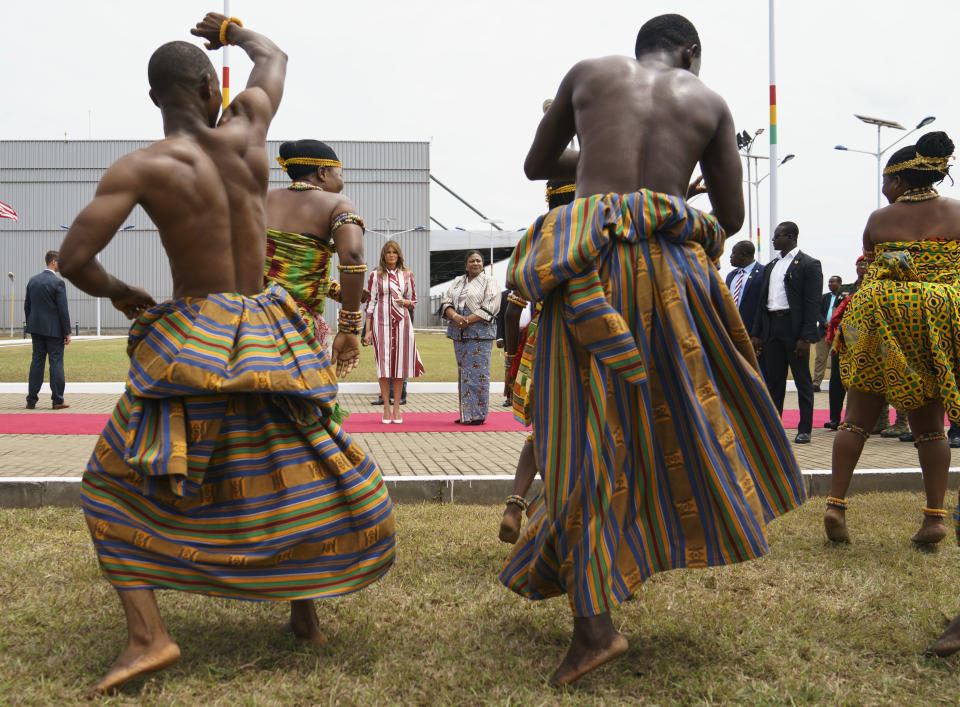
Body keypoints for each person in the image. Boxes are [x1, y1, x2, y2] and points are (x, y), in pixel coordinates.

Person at [57, 14, 395, 697]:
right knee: (288, 462)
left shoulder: (142, 167)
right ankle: (305, 616)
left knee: (110, 481)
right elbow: (274, 54)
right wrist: (232, 28)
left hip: (198, 332)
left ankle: (149, 635)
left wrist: (128, 296)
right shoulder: (248, 134)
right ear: (212, 87)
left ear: (157, 99)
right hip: (269, 325)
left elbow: (73, 258)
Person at [498, 14, 805, 687]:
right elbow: (728, 217)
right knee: (678, 422)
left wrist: (604, 173)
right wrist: (658, 195)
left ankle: (595, 626)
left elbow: (536, 166)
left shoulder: (587, 73)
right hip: (673, 279)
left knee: (581, 440)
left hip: (589, 268)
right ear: (690, 54)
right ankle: (615, 578)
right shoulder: (710, 104)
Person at [826, 130, 960, 556]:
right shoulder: (958, 213)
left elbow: (866, 271)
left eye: (887, 180)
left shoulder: (879, 220)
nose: (884, 188)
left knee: (856, 420)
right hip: (934, 318)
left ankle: (836, 507)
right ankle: (934, 517)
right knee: (930, 428)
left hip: (881, 315)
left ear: (900, 182)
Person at [498, 175, 576, 543]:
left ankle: (515, 504)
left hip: (541, 346)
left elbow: (512, 312)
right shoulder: (593, 234)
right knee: (584, 431)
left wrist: (512, 361)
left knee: (541, 431)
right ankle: (558, 511)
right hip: (584, 343)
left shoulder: (535, 238)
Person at [265, 139, 356, 358]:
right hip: (297, 326)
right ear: (323, 172)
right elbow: (352, 258)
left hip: (255, 320)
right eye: (340, 175)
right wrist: (349, 325)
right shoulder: (337, 203)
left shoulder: (261, 199)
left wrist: (335, 290)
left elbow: (284, 268)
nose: (342, 182)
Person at [750, 222, 823, 444]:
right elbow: (763, 302)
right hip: (772, 326)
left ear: (791, 236)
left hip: (794, 328)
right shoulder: (771, 265)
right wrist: (757, 333)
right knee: (774, 381)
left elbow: (813, 304)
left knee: (802, 381)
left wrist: (806, 337)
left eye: (777, 236)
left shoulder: (809, 264)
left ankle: (804, 429)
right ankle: (774, 428)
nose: (774, 240)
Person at [363, 240, 424, 423]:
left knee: (399, 368)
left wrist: (407, 303)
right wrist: (367, 331)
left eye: (394, 252)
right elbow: (370, 303)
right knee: (383, 368)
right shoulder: (375, 275)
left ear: (399, 255)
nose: (391, 255)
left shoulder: (407, 275)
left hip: (402, 324)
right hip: (380, 324)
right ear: (383, 255)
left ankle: (397, 408)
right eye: (388, 252)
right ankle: (386, 408)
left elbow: (413, 300)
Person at [439, 250, 500, 425]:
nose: (475, 263)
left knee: (478, 374)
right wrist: (456, 318)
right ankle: (467, 414)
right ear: (466, 264)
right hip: (460, 332)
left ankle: (477, 415)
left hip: (479, 333)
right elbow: (446, 301)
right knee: (464, 374)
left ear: (483, 264)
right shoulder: (458, 281)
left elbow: (491, 306)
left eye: (479, 261)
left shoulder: (490, 282)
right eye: (472, 261)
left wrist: (467, 320)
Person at [24, 250, 71, 410]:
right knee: (56, 363)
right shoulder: (58, 283)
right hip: (54, 331)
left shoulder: (33, 281)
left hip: (36, 329)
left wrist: (32, 324)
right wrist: (67, 332)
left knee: (36, 362)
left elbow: (27, 306)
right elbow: (63, 310)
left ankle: (31, 400)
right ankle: (57, 400)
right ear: (53, 262)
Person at [824, 257, 867, 430]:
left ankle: (856, 419)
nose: (863, 268)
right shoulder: (845, 289)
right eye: (860, 265)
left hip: (866, 342)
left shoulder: (875, 288)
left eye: (866, 265)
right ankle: (834, 418)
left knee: (859, 382)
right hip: (843, 341)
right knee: (837, 380)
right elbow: (835, 314)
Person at [725, 240, 763, 334]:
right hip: (730, 328)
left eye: (734, 253)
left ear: (743, 255)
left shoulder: (764, 273)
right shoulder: (731, 276)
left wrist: (758, 334)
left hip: (751, 330)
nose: (730, 256)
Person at [812, 275, 843, 392]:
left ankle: (837, 384)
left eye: (832, 282)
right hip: (823, 333)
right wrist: (824, 322)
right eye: (829, 282)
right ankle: (816, 384)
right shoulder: (824, 297)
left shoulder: (843, 297)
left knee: (837, 360)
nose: (830, 284)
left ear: (840, 284)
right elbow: (817, 312)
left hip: (838, 334)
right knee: (820, 358)